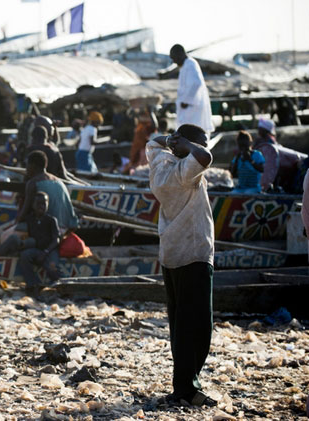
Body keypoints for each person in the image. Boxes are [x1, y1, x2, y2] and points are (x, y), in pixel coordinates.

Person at [147, 124, 217, 408]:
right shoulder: (183, 171)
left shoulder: (161, 166)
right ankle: (187, 388)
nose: (205, 145)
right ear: (189, 145)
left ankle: (183, 385)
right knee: (197, 328)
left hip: (172, 255)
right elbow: (205, 157)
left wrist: (172, 141)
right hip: (194, 254)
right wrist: (187, 145)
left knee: (180, 325)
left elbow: (153, 143)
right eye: (202, 141)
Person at [16, 150, 79, 233]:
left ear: (33, 166)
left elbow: (23, 215)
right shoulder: (58, 181)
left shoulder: (33, 183)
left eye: (27, 165)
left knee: (16, 230)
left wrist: (15, 221)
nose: (26, 168)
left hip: (52, 229)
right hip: (68, 228)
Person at [19, 191, 61, 296]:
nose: (41, 206)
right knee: (24, 255)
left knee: (52, 267)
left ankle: (60, 286)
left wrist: (46, 252)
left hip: (50, 250)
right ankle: (33, 284)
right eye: (38, 203)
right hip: (36, 250)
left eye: (44, 203)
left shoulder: (51, 220)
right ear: (33, 205)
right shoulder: (29, 219)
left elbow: (56, 239)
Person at [170, 44, 214, 135]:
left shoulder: (190, 64)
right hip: (189, 110)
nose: (174, 61)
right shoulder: (185, 65)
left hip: (192, 109)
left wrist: (186, 101)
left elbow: (196, 83)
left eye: (174, 58)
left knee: (193, 136)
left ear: (180, 54)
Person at [255, 118, 307, 193]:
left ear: (265, 130)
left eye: (260, 129)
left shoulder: (269, 142)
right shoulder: (262, 142)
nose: (258, 131)